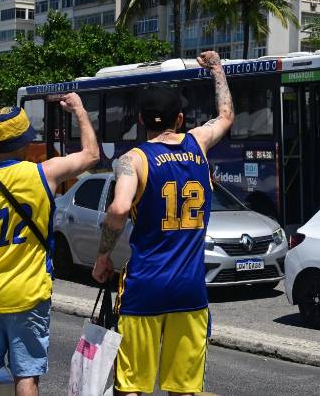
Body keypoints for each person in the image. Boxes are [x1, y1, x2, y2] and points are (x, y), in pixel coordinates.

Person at [91, 51, 232, 396]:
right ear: (180, 118)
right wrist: (217, 69)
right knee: (184, 387)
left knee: (132, 384)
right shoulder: (198, 143)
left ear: (141, 120)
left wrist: (103, 255)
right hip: (190, 288)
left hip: (145, 286)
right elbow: (226, 115)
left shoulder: (132, 160)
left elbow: (120, 207)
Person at [0, 94, 98, 396]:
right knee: (27, 377)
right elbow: (91, 155)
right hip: (30, 294)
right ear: (24, 141)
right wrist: (79, 111)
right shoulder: (44, 174)